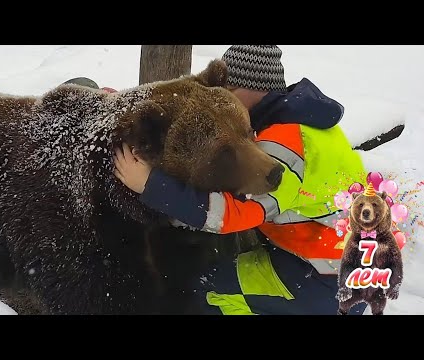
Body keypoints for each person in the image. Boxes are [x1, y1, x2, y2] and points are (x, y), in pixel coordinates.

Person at [115, 45, 368, 315]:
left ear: (254, 87)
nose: (222, 98)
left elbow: (234, 213)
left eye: (229, 90)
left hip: (330, 282)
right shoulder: (302, 119)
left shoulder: (281, 148)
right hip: (349, 265)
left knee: (203, 289)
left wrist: (151, 186)